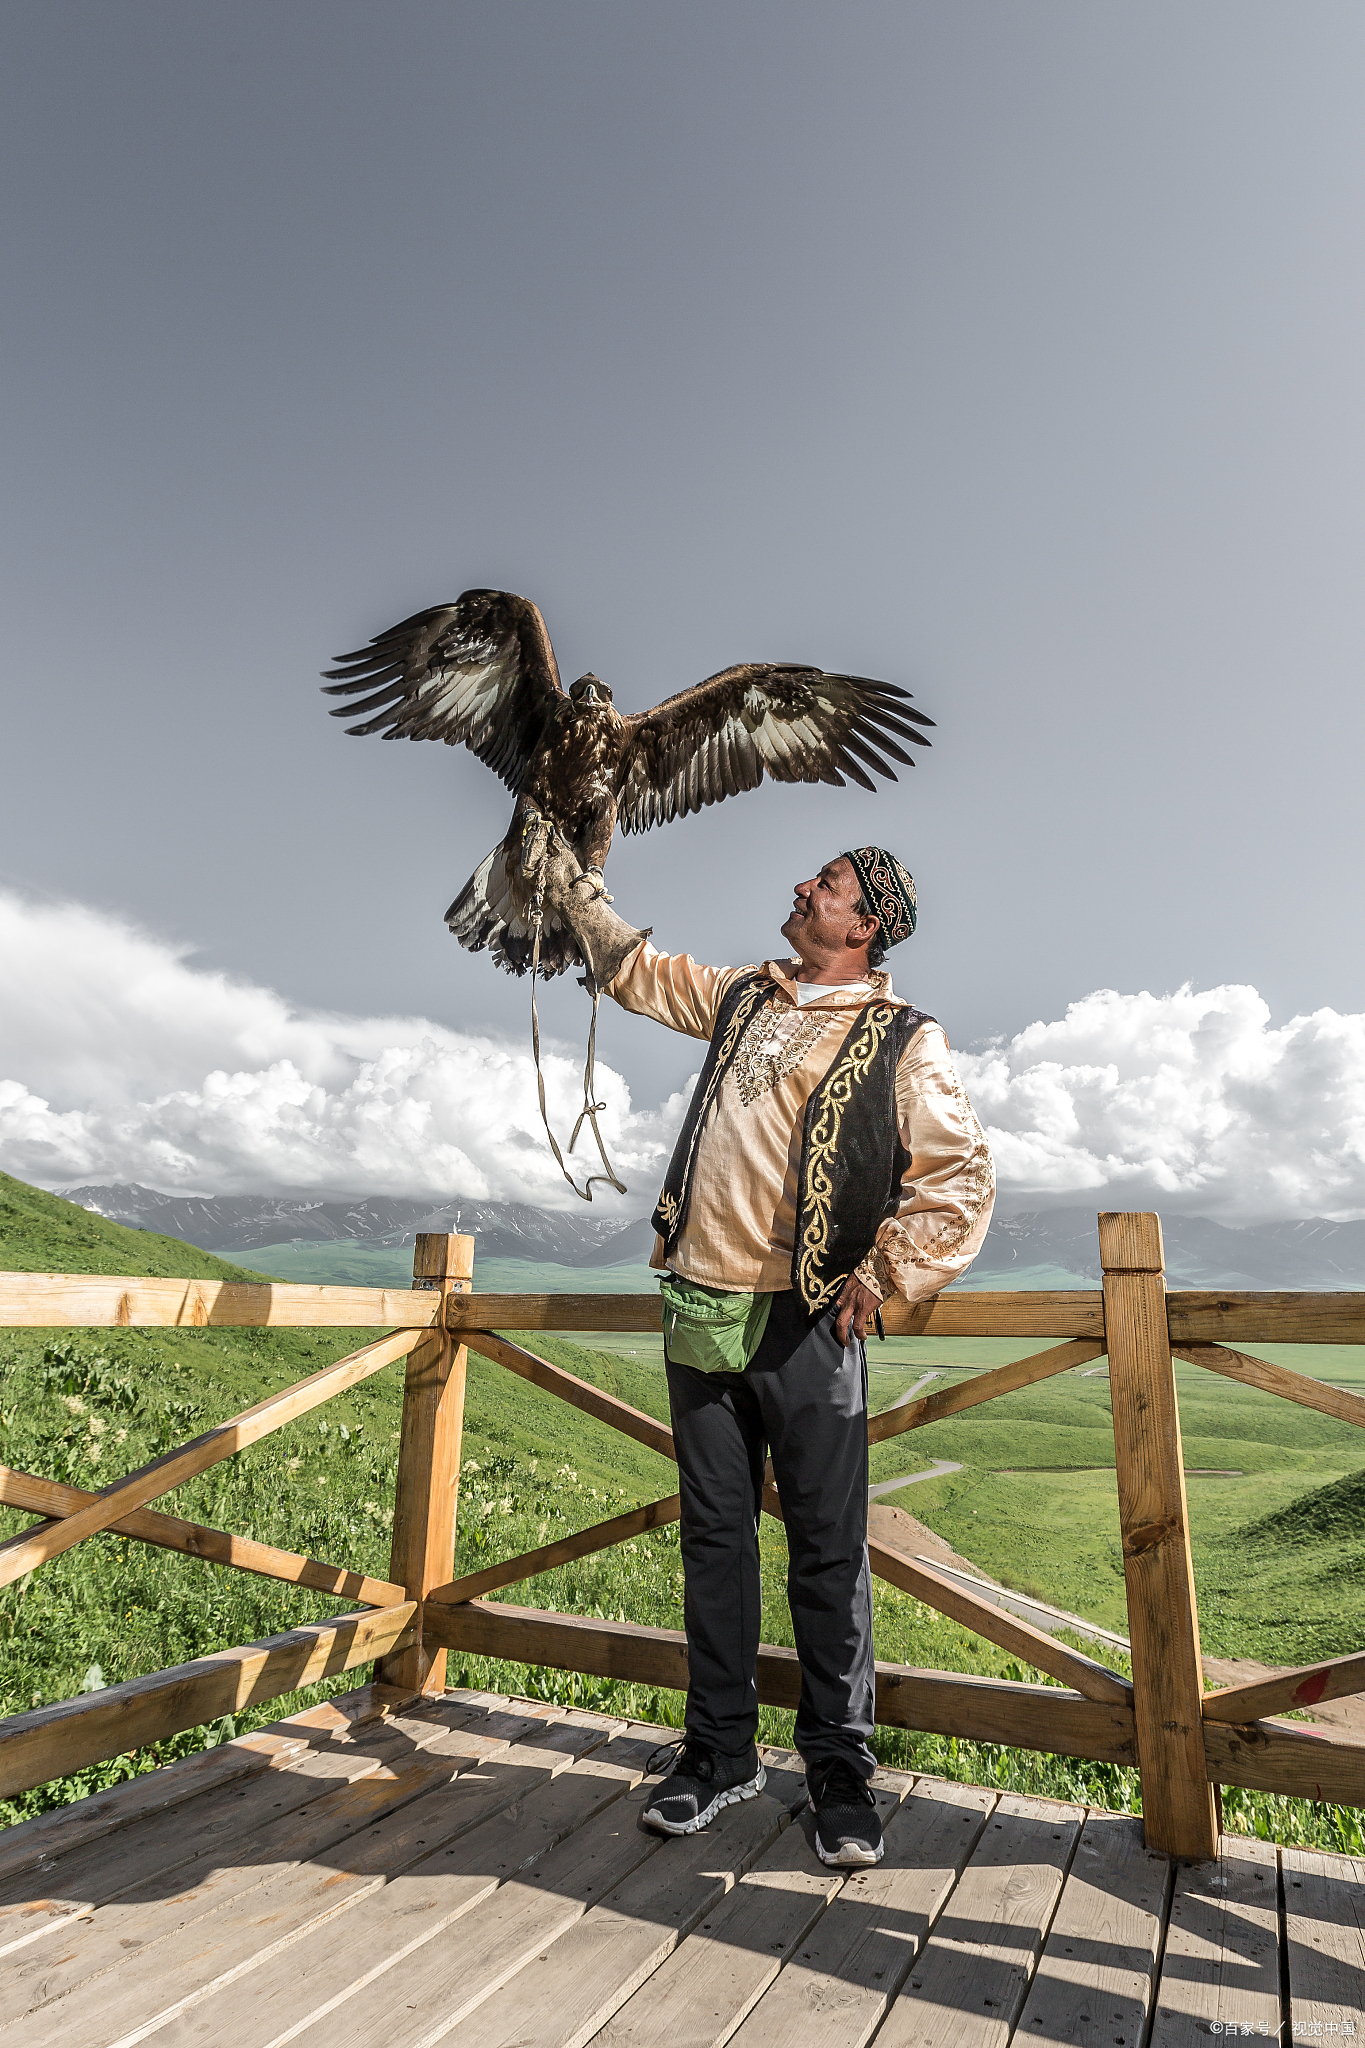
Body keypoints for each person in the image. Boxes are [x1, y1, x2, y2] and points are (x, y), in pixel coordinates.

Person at [605, 846, 995, 1866]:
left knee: (827, 1550)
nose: (799, 888)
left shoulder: (903, 1037)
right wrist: (571, 890)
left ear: (863, 925)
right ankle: (720, 1752)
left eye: (823, 885)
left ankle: (839, 1769)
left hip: (812, 1318)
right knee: (714, 1542)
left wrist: (883, 1271)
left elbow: (958, 1178)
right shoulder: (742, 996)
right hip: (701, 1299)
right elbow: (639, 971)